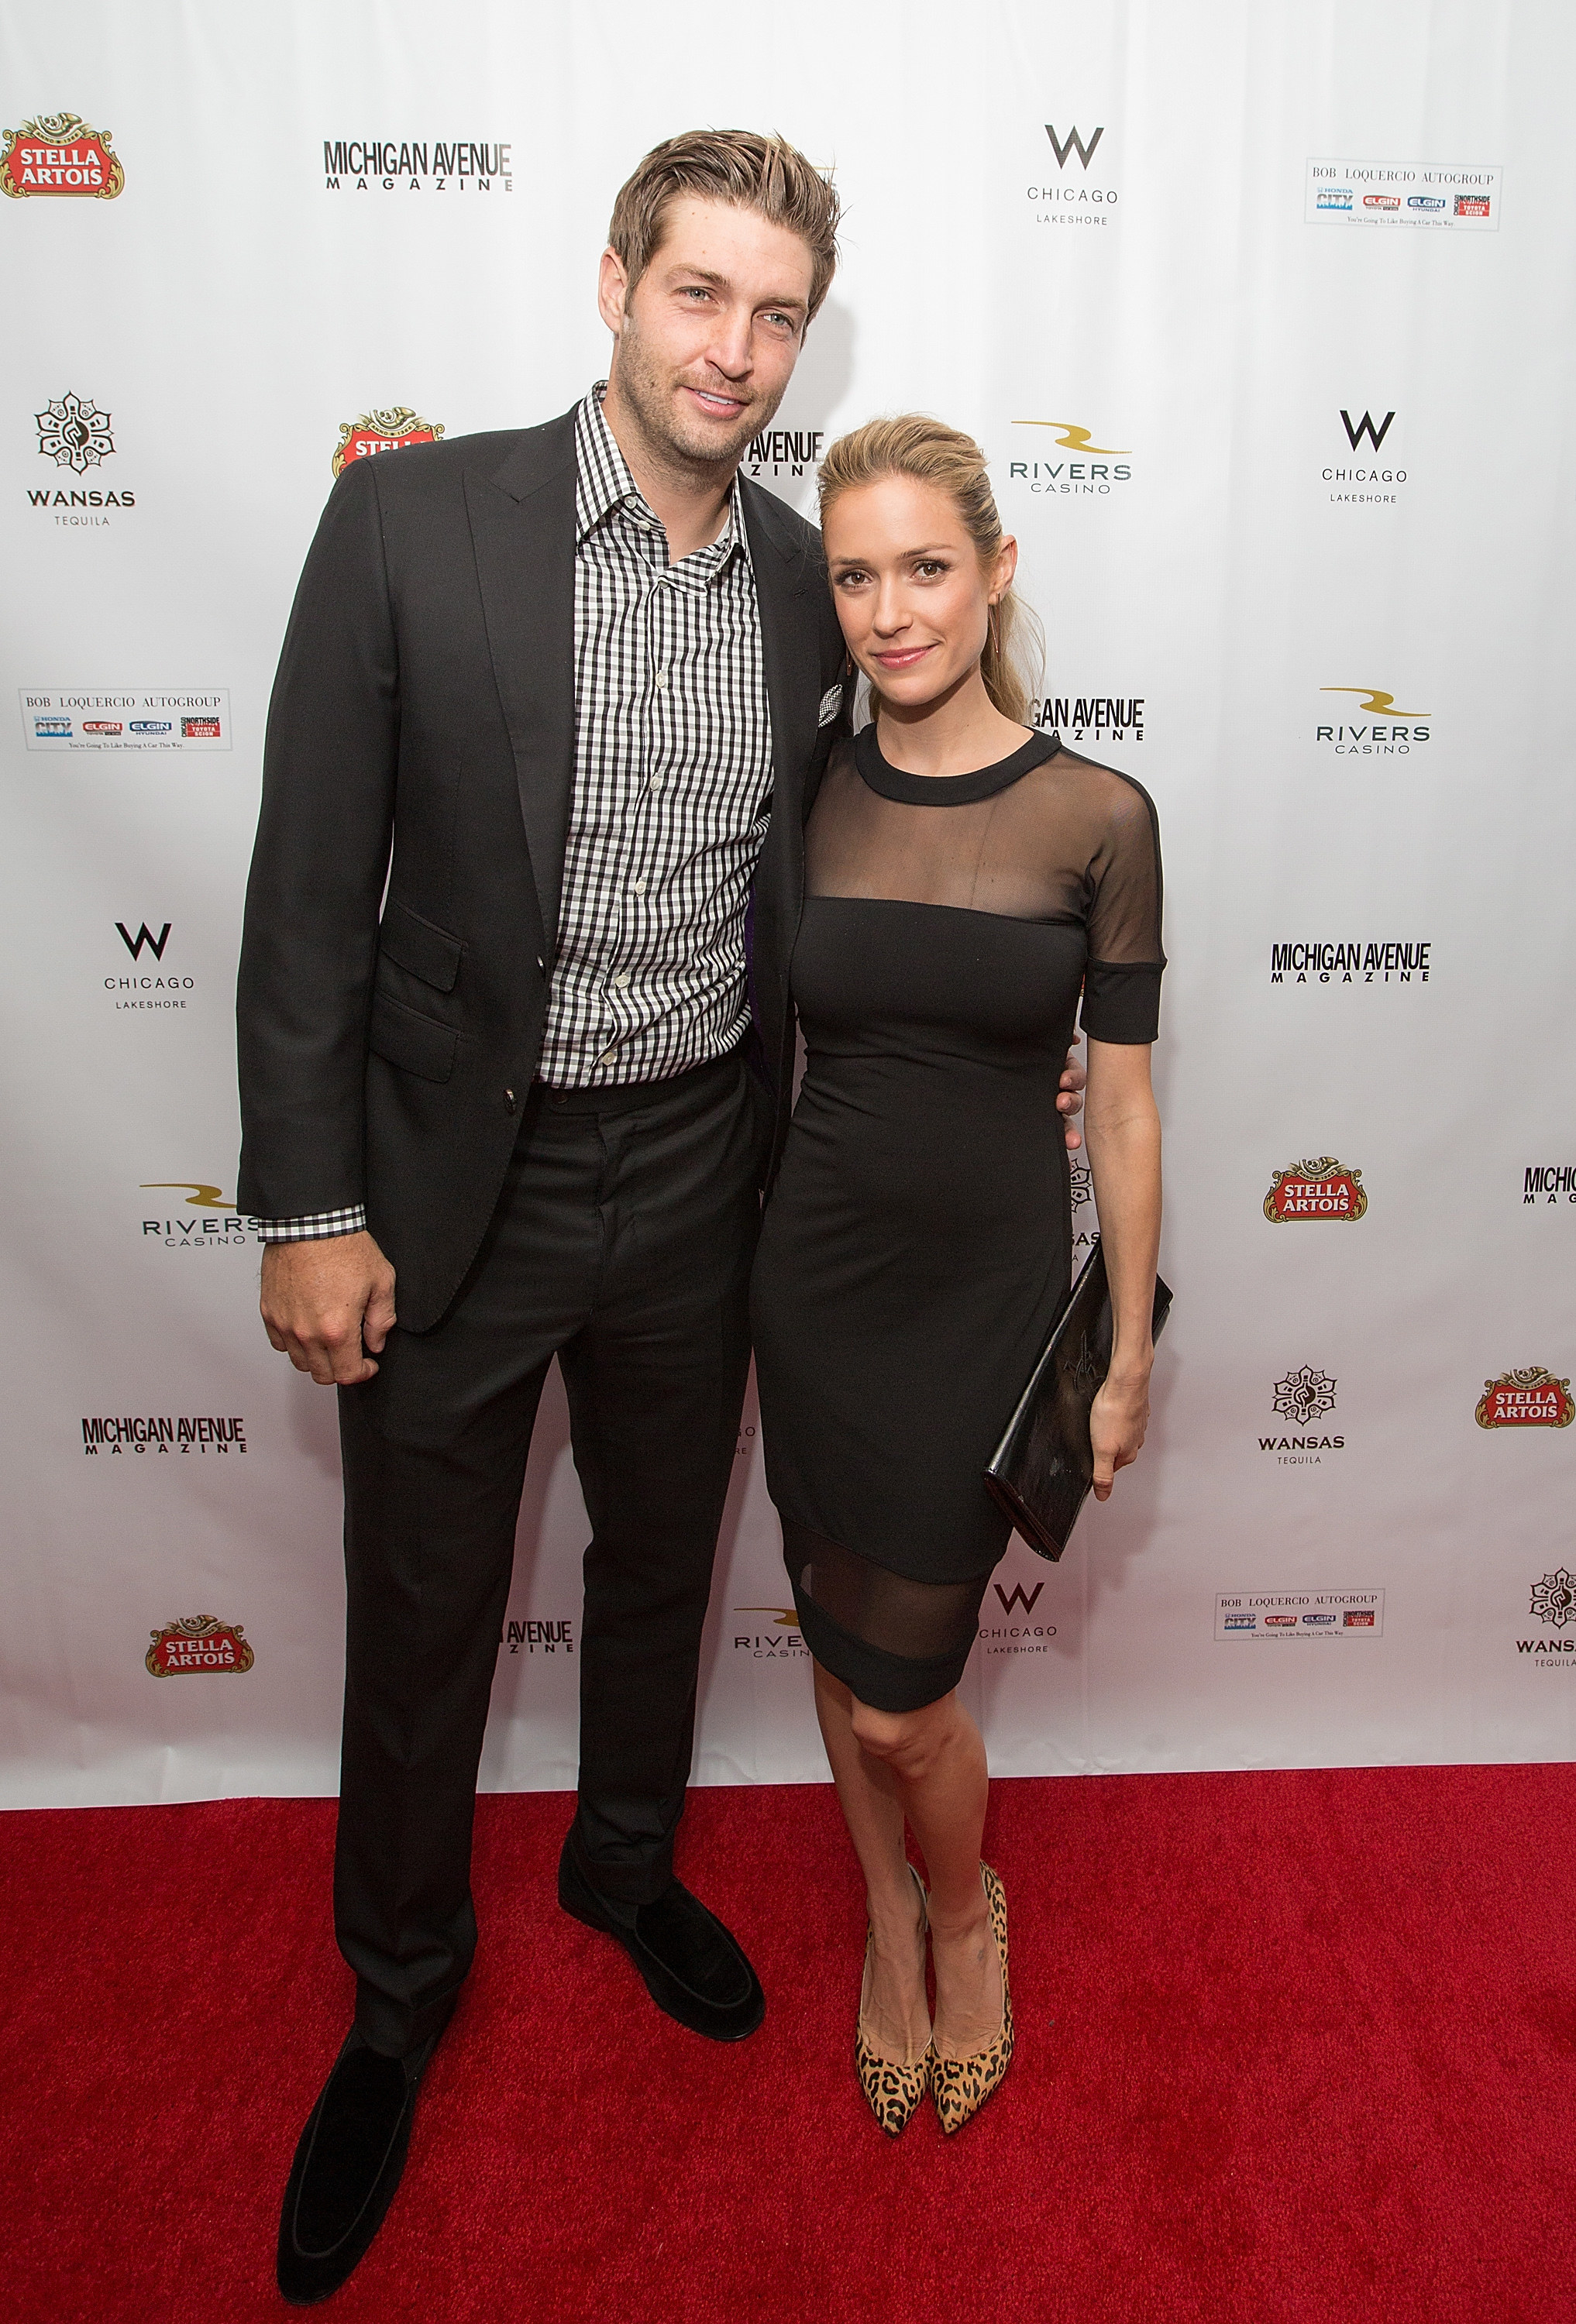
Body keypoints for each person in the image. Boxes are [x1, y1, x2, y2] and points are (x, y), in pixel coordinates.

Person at [239, 133, 1084, 2296]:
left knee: (660, 1564)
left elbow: (904, 841)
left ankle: (623, 1868)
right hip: (455, 1187)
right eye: (700, 295)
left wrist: (1030, 1028)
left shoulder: (818, 581)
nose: (736, 347)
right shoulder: (414, 520)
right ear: (611, 286)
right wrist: (311, 1204)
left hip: (713, 1164)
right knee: (423, 1613)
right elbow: (310, 893)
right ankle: (399, 1997)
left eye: (776, 312)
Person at [750, 416, 1165, 2136]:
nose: (889, 610)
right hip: (814, 1292)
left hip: (986, 1309)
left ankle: (964, 1909)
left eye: (925, 567)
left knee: (906, 1701)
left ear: (995, 570)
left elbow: (1123, 1106)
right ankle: (885, 1925)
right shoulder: (806, 788)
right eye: (854, 574)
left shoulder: (1097, 817)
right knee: (841, 1676)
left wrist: (1122, 1353)